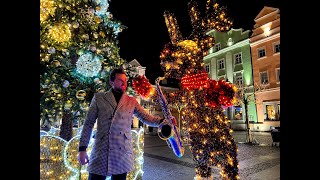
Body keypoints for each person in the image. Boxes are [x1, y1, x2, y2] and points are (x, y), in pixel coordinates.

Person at [78, 68, 175, 180]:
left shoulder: (131, 101)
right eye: (120, 80)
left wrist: (163, 121)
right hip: (101, 151)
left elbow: (145, 117)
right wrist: (82, 149)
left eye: (125, 80)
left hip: (122, 153)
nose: (124, 83)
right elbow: (88, 123)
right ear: (111, 82)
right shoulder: (99, 98)